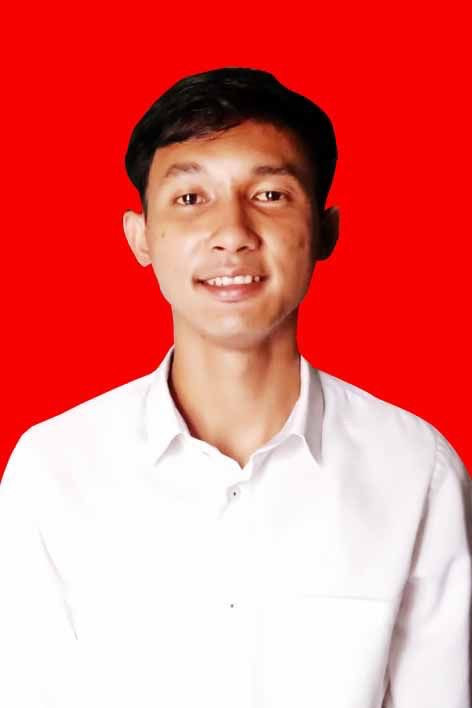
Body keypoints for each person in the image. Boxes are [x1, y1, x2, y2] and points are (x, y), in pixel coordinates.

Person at [1, 67, 470, 708]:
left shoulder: (417, 469)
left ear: (326, 230)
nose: (232, 234)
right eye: (191, 198)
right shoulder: (52, 470)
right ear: (140, 236)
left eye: (271, 195)